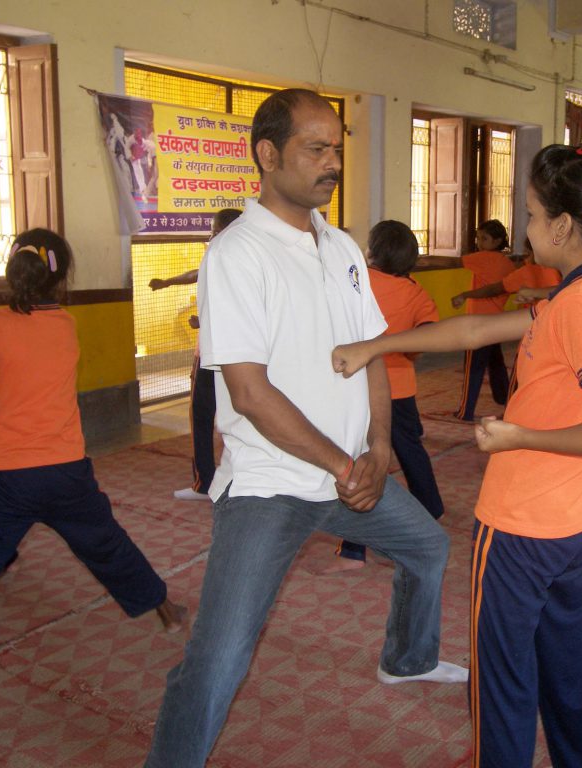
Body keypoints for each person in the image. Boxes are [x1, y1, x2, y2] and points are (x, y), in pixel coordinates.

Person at [144, 89, 466, 768]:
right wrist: (344, 467)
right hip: (271, 483)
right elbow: (251, 394)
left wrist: (378, 447)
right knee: (219, 658)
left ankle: (407, 659)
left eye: (336, 150)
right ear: (268, 154)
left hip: (349, 470)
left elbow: (371, 353)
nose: (332, 163)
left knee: (428, 549)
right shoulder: (238, 255)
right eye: (315, 149)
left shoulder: (341, 245)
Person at [334, 144, 582, 768]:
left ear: (565, 226)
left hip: (520, 527)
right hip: (571, 524)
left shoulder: (580, 306)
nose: (528, 230)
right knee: (568, 672)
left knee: (503, 681)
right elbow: (474, 331)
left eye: (534, 217)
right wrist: (374, 346)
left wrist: (518, 437)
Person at [0, 228, 186, 755]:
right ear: (60, 282)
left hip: (10, 481)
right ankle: (166, 609)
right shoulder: (67, 325)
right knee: (106, 544)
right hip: (68, 474)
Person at [332, 219, 445, 568]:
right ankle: (430, 508)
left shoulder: (357, 280)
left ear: (372, 251)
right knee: (410, 448)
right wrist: (408, 351)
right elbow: (429, 331)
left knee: (360, 457)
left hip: (361, 388)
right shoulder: (413, 290)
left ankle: (353, 549)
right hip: (402, 387)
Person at [149, 208, 242, 501]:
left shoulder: (222, 255)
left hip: (214, 353)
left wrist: (202, 321)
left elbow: (230, 305)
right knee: (238, 417)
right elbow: (200, 277)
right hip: (240, 354)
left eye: (214, 230)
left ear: (226, 231)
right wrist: (167, 282)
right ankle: (239, 479)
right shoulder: (244, 258)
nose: (210, 236)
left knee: (202, 417)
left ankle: (205, 483)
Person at [449, 219, 515, 421]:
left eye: (484, 238)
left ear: (497, 241)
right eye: (478, 237)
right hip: (496, 322)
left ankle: (465, 411)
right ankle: (507, 399)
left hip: (478, 324)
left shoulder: (484, 257)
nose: (479, 242)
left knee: (473, 367)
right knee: (496, 363)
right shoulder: (507, 263)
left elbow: (454, 262)